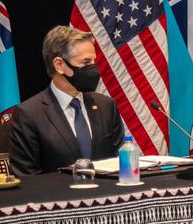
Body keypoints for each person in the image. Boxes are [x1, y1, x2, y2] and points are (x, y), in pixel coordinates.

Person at [9, 26, 123, 175]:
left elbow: (120, 163)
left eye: (94, 61)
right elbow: (27, 179)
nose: (94, 69)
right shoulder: (28, 114)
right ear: (59, 65)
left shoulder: (107, 106)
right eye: (85, 62)